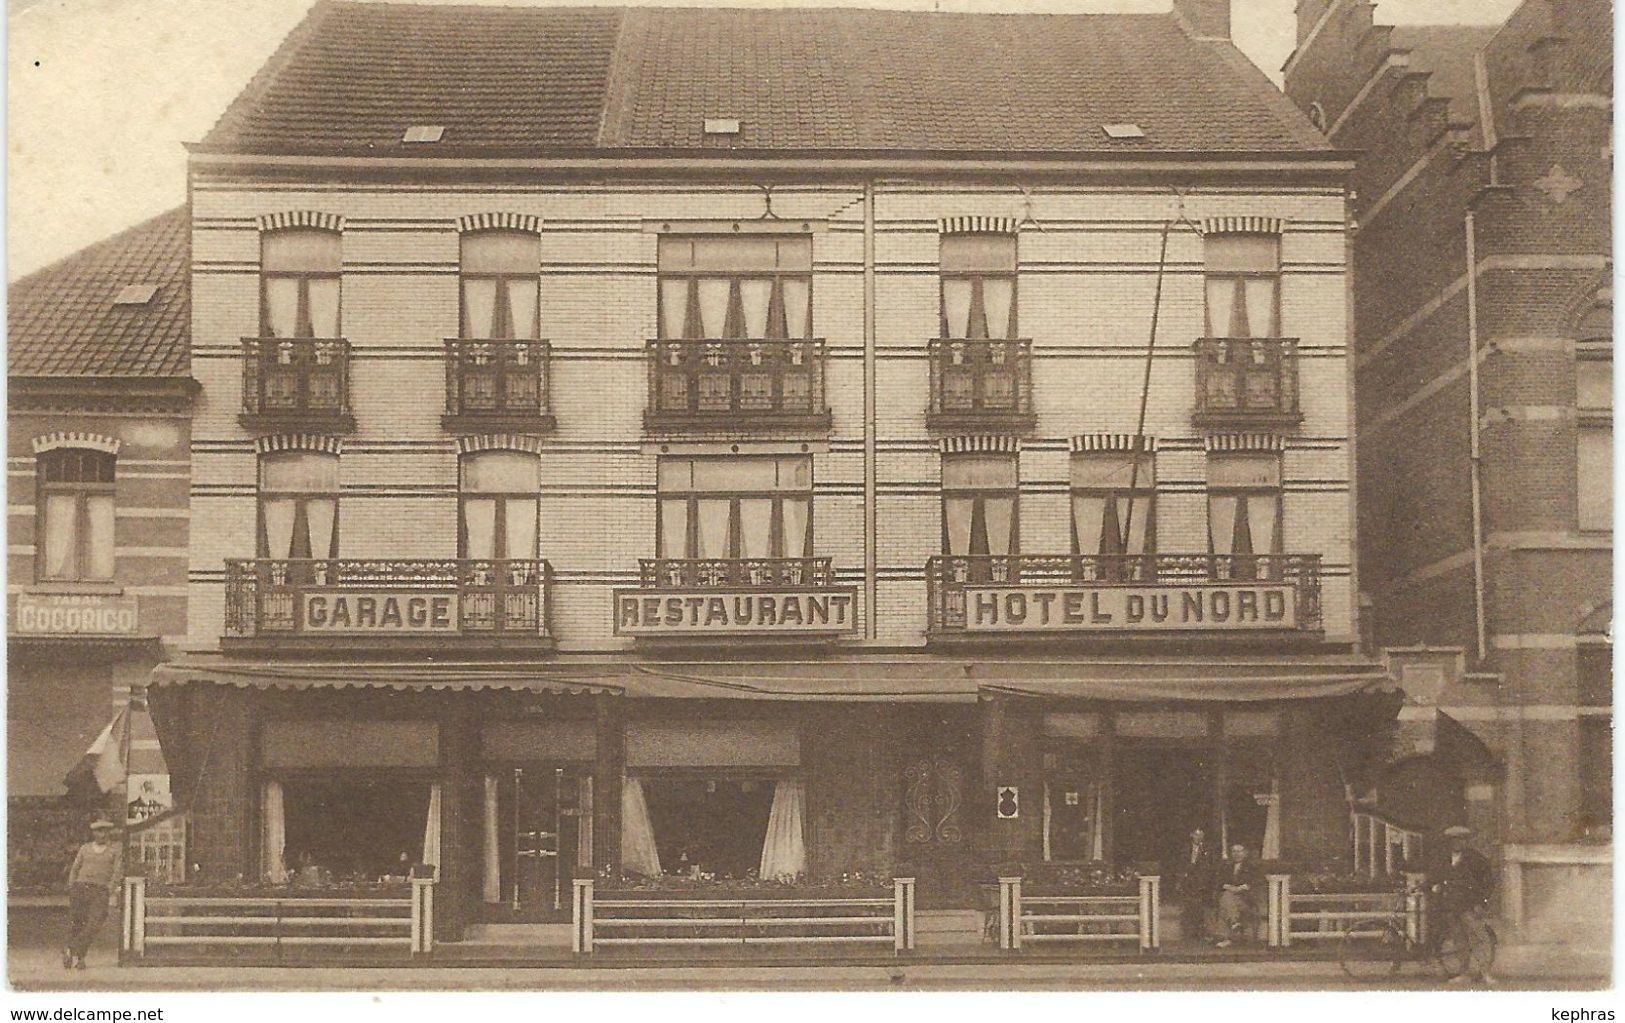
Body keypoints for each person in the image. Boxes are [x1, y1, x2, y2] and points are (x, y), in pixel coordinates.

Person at [1433, 824, 1496, 984]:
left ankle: (1485, 973)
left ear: (1467, 841)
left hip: (1469, 906)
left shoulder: (1476, 860)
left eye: (1461, 840)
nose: (1457, 843)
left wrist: (1482, 903)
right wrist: (1436, 886)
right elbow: (1437, 878)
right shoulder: (1444, 859)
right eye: (1453, 840)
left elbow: (1488, 883)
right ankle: (1464, 973)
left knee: (1479, 938)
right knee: (1459, 940)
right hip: (1450, 907)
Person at [64, 819, 122, 970]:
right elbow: (75, 868)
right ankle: (80, 959)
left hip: (100, 890)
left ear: (109, 833)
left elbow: (117, 872)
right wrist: (72, 886)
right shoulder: (85, 848)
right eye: (99, 831)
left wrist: (109, 889)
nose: (102, 834)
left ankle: (71, 949)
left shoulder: (114, 850)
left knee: (94, 924)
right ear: (93, 833)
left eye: (105, 831)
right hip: (81, 888)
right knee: (77, 922)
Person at [1215, 842, 1264, 947]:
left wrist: (1240, 888)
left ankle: (1230, 932)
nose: (1237, 854)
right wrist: (1229, 887)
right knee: (1226, 898)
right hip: (1231, 899)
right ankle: (1234, 924)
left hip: (1245, 900)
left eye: (1239, 851)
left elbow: (1255, 882)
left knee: (1225, 901)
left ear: (1245, 853)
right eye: (1234, 851)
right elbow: (1219, 882)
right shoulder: (1227, 867)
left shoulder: (1251, 867)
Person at [1176, 826, 1218, 942]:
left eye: (1200, 835)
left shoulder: (1208, 850)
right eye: (1196, 834)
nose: (1198, 837)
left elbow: (1211, 867)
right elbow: (1180, 865)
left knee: (1200, 905)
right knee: (1189, 904)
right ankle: (1189, 932)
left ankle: (1200, 931)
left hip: (1203, 883)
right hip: (1188, 881)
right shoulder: (1185, 849)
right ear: (1191, 835)